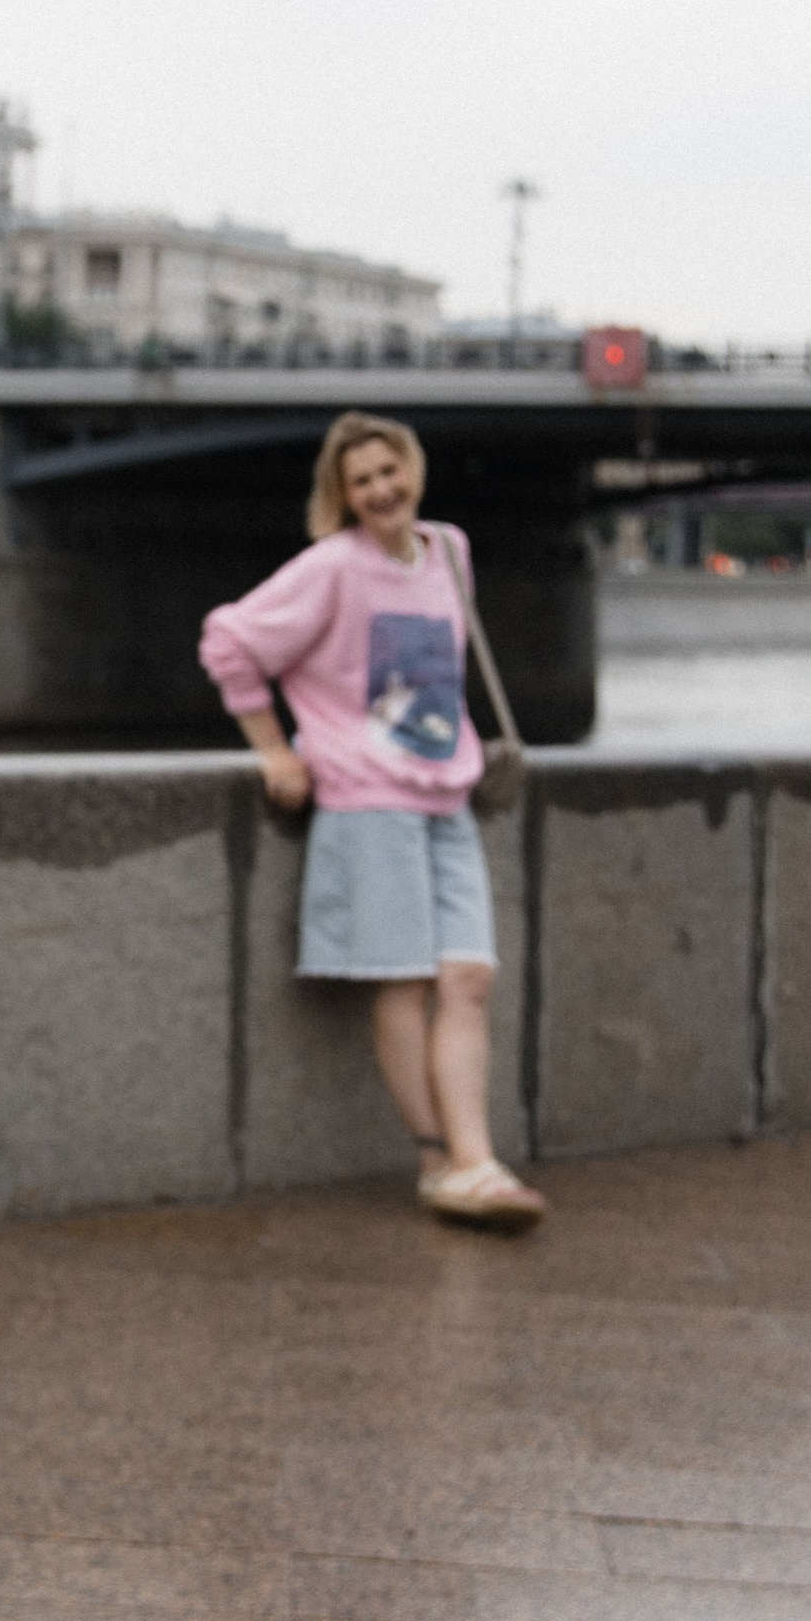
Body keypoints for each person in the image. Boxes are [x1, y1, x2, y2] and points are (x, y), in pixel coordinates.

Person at [200, 407, 545, 1228]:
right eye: (363, 481)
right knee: (405, 984)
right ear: (343, 495)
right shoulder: (334, 567)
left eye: (391, 471)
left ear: (414, 470)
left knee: (469, 977)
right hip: (367, 802)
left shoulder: (450, 552)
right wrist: (275, 751)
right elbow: (230, 641)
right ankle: (451, 1162)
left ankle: (474, 1159)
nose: (382, 490)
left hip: (446, 794)